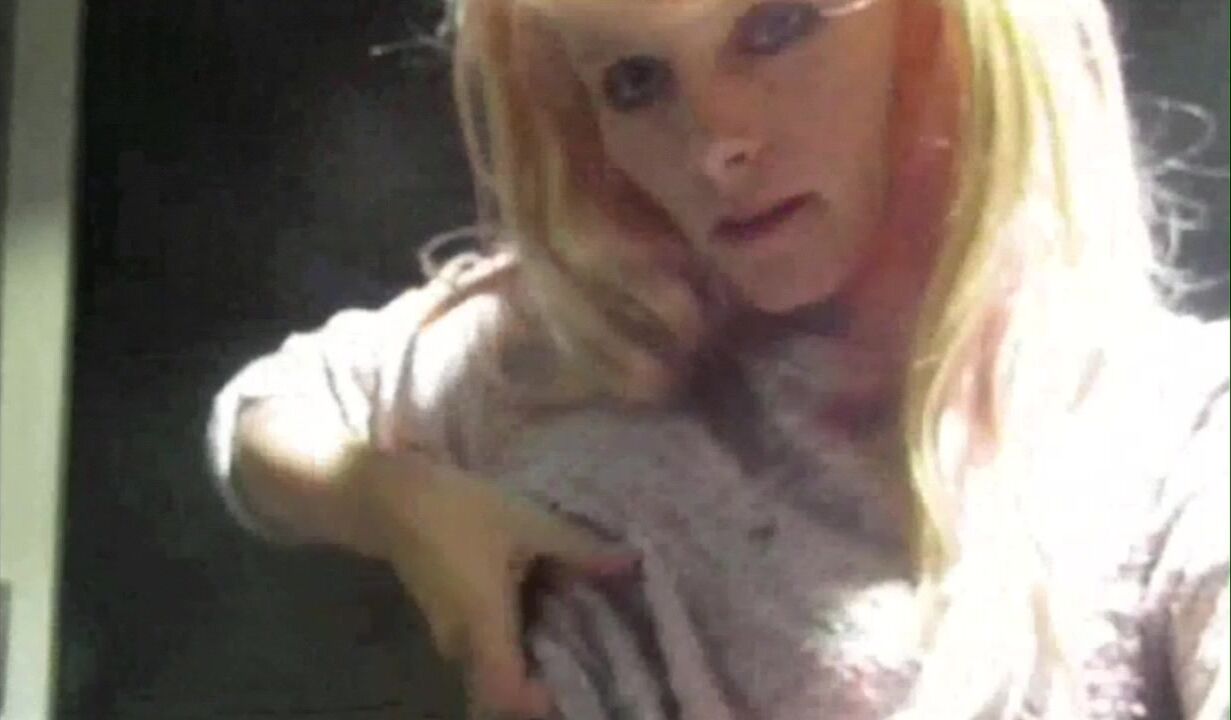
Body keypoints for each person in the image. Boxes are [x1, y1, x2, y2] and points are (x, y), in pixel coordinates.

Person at [207, 0, 1230, 716]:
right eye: (634, 80)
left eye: (777, 26)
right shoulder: (576, 337)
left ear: (945, 30)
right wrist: (401, 506)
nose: (713, 140)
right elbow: (270, 411)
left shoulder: (1174, 425)